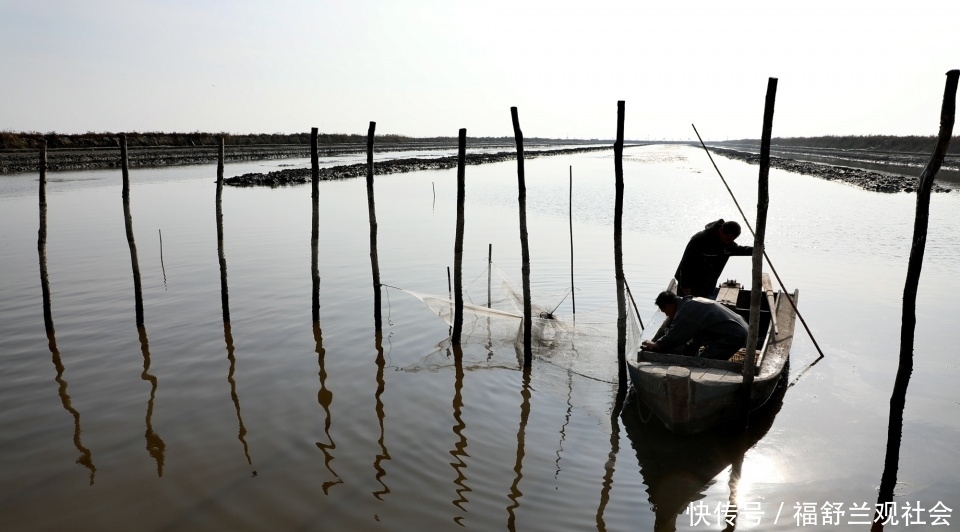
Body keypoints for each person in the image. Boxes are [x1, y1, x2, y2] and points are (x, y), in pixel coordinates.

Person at [640, 291, 748, 360]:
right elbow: (697, 335)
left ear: (669, 306)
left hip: (734, 336)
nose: (667, 315)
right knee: (695, 352)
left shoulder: (685, 311)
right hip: (740, 328)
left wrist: (657, 345)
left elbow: (675, 336)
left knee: (702, 362)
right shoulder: (690, 302)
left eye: (665, 311)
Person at [675, 219, 753, 298]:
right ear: (721, 230)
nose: (727, 242)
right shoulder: (700, 239)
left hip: (706, 286)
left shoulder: (727, 244)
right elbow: (686, 264)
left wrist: (755, 250)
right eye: (727, 239)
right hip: (689, 285)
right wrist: (685, 286)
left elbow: (738, 250)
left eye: (731, 240)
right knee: (687, 308)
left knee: (703, 308)